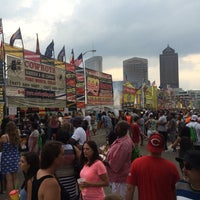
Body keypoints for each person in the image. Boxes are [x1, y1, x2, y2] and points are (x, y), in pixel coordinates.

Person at [126, 133, 180, 200]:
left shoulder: (136, 163)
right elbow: (174, 190)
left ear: (148, 145)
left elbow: (130, 189)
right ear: (163, 147)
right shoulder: (172, 167)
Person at [106, 120, 133, 199]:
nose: (115, 128)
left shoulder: (123, 144)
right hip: (120, 177)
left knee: (118, 197)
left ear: (123, 130)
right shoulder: (122, 138)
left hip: (120, 178)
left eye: (118, 127)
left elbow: (116, 165)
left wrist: (103, 160)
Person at [55, 122, 81, 200]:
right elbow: (79, 162)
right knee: (71, 196)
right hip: (71, 178)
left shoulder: (54, 149)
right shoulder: (73, 148)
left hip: (57, 178)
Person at [0, 121, 20, 198]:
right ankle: (16, 196)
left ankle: (11, 197)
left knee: (9, 179)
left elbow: (1, 147)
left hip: (6, 159)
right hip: (15, 158)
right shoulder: (17, 135)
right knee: (15, 178)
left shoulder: (4, 137)